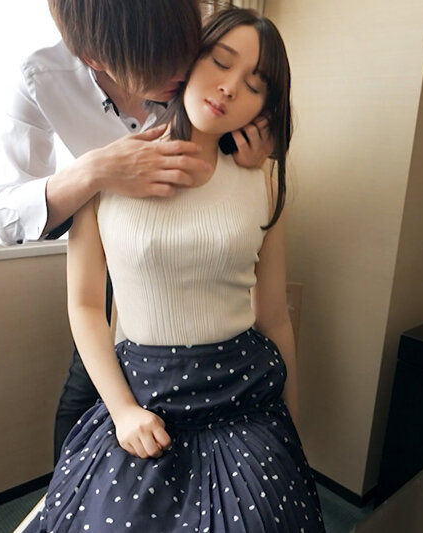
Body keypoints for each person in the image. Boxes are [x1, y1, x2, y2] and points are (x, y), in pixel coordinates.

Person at [26, 7, 325, 532]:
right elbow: (85, 306)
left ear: (265, 106)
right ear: (188, 59)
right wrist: (122, 411)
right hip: (144, 394)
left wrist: (292, 427)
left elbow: (274, 317)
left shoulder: (263, 181)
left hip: (243, 395)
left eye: (255, 85)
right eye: (221, 62)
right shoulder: (107, 170)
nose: (230, 88)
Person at [0, 0, 275, 465]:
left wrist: (252, 142)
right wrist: (94, 171)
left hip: (195, 240)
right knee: (86, 391)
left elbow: (243, 91)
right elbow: (6, 215)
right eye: (161, 68)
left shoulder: (193, 35)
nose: (182, 72)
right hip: (111, 241)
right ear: (94, 60)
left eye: (187, 55)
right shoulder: (42, 77)